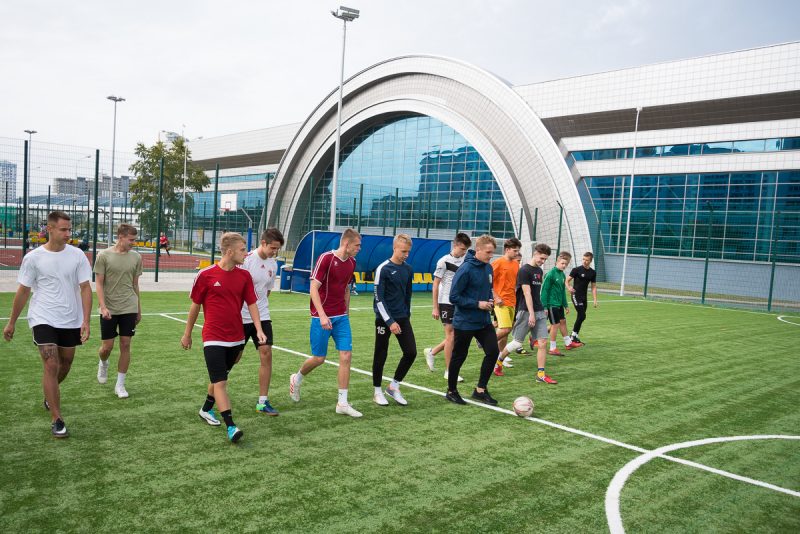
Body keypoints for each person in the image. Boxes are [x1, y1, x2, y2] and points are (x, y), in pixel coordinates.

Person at [3, 211, 92, 438]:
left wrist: (86, 320)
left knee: (66, 363)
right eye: (63, 229)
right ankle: (57, 418)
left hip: (71, 318)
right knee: (51, 364)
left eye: (69, 229)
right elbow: (23, 291)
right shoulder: (33, 258)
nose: (68, 234)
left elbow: (85, 288)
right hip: (42, 317)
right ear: (49, 229)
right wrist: (11, 322)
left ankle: (49, 395)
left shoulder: (78, 256)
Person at [181, 232, 266, 443]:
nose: (246, 254)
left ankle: (206, 409)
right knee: (221, 381)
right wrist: (187, 333)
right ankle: (231, 426)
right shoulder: (205, 275)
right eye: (242, 250)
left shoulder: (244, 276)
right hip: (213, 337)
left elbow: (252, 304)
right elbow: (195, 306)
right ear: (229, 251)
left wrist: (259, 329)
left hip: (236, 338)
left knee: (219, 376)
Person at [289, 228, 362, 417]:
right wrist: (322, 315)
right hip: (320, 316)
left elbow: (346, 288)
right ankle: (297, 378)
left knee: (346, 355)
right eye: (357, 245)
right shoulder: (326, 259)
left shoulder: (352, 263)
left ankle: (342, 403)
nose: (359, 249)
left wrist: (346, 313)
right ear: (346, 243)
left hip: (341, 317)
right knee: (319, 358)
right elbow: (313, 288)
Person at [446, 234, 500, 406]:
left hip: (483, 321)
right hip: (465, 322)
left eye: (492, 252)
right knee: (459, 356)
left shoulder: (488, 268)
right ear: (478, 250)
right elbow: (454, 297)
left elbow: (488, 290)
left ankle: (480, 390)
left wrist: (490, 301)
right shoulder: (465, 269)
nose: (491, 255)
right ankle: (451, 391)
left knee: (493, 352)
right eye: (488, 252)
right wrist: (478, 304)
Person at [494, 243, 558, 383]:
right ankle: (498, 362)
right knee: (517, 343)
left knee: (542, 342)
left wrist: (542, 308)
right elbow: (527, 293)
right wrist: (532, 314)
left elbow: (536, 293)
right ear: (535, 254)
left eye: (545, 259)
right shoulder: (524, 270)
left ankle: (541, 374)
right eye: (541, 258)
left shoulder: (539, 271)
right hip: (526, 311)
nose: (543, 261)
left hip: (539, 310)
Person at [94, 223, 143, 398]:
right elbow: (99, 284)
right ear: (120, 237)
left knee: (126, 344)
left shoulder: (136, 257)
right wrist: (103, 306)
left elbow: (135, 285)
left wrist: (138, 309)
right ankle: (103, 362)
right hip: (109, 308)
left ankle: (120, 385)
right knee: (106, 347)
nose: (133, 243)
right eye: (131, 239)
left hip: (129, 306)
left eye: (134, 240)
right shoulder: (103, 255)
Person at [241, 227, 284, 416]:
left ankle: (262, 401)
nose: (275, 252)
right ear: (263, 243)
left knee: (266, 352)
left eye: (277, 249)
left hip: (263, 315)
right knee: (233, 358)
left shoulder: (273, 264)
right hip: (241, 317)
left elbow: (267, 291)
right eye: (273, 248)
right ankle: (215, 394)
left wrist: (260, 310)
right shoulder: (246, 260)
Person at [372, 234, 416, 406]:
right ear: (394, 248)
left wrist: (406, 315)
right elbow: (378, 298)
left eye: (408, 251)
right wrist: (390, 321)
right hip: (384, 319)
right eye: (403, 251)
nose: (406, 255)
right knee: (381, 354)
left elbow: (408, 294)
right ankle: (377, 391)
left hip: (402, 317)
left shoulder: (408, 269)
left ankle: (393, 386)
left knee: (411, 352)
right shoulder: (383, 269)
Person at [424, 232, 471, 383]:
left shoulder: (466, 260)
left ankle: (432, 352)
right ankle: (450, 371)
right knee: (451, 335)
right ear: (455, 245)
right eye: (462, 249)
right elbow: (436, 284)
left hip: (461, 302)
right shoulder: (443, 261)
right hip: (446, 302)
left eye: (466, 250)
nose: (464, 252)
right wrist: (435, 307)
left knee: (458, 336)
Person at [491, 237, 522, 373]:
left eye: (518, 251)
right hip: (500, 302)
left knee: (505, 333)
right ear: (507, 249)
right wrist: (496, 297)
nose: (517, 253)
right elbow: (488, 281)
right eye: (515, 250)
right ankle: (484, 341)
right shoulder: (497, 263)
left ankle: (499, 358)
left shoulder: (516, 264)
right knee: (505, 329)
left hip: (512, 301)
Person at [541, 251, 581, 356]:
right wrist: (544, 306)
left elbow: (562, 291)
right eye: (562, 263)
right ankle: (552, 348)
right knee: (555, 325)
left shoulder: (562, 275)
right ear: (556, 262)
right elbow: (544, 291)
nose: (564, 266)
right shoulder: (550, 274)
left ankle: (568, 343)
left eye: (566, 264)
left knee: (563, 321)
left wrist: (565, 305)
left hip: (559, 305)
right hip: (551, 304)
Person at [566, 251, 598, 345]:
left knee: (581, 316)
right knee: (582, 315)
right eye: (583, 259)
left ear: (590, 261)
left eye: (587, 260)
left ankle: (574, 336)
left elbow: (593, 287)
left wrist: (595, 300)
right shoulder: (576, 270)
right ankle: (573, 336)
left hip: (584, 297)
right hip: (575, 295)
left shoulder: (593, 272)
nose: (584, 261)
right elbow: (566, 280)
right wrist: (569, 288)